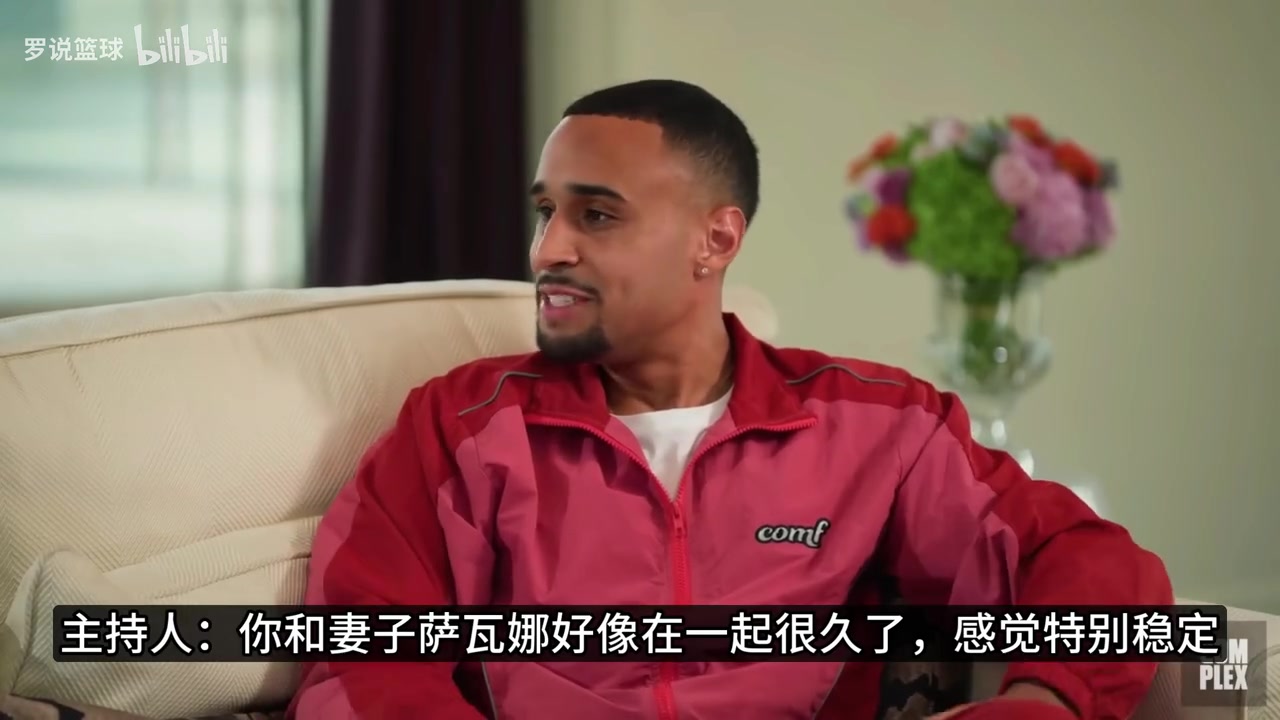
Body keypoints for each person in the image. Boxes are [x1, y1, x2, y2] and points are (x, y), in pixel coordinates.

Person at [288, 79, 1173, 720]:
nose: (547, 249)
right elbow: (358, 667)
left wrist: (1044, 700)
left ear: (715, 239)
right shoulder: (464, 427)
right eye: (544, 212)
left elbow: (1088, 563)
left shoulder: (881, 427)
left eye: (596, 215)